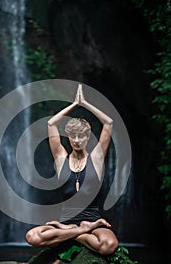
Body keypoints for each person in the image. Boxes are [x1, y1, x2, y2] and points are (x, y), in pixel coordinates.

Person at [26, 84, 119, 255]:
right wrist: (74, 104)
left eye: (81, 136)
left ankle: (73, 233)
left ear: (88, 137)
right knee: (33, 236)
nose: (77, 140)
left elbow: (109, 123)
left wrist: (85, 103)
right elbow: (51, 123)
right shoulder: (61, 159)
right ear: (68, 137)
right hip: (66, 223)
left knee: (109, 245)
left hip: (91, 220)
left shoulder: (96, 159)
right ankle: (78, 232)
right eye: (73, 136)